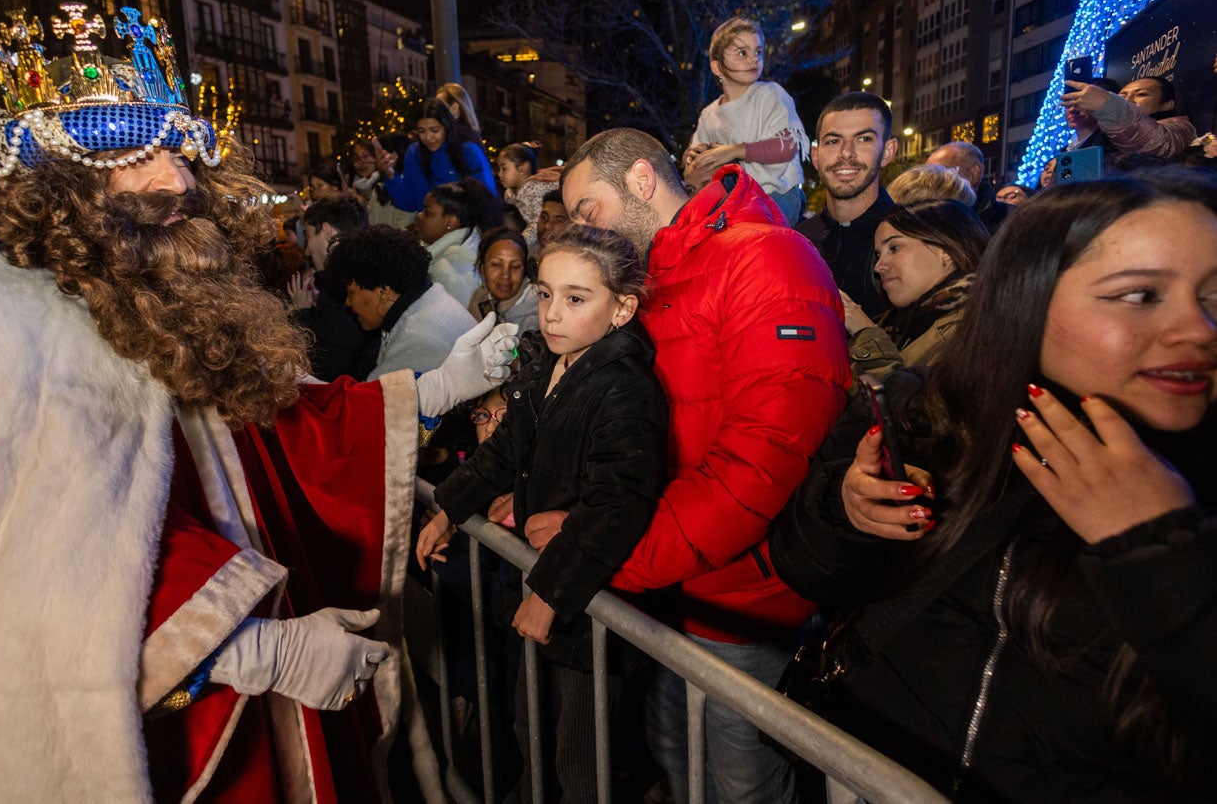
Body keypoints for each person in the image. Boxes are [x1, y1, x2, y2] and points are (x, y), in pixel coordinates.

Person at [0, 4, 484, 803]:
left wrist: (431, 392)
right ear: (61, 191)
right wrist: (243, 647)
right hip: (164, 718)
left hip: (243, 699)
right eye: (136, 157)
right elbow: (18, 562)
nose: (177, 180)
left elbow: (259, 438)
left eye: (180, 154)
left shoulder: (158, 300)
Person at [770, 171, 1217, 801]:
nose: (1198, 330)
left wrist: (1165, 552)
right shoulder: (926, 410)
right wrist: (846, 511)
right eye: (1142, 295)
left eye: (1215, 297)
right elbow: (805, 566)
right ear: (1026, 298)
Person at [561, 129, 851, 804]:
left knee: (739, 782)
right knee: (677, 756)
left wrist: (613, 556)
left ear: (639, 179)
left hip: (743, 594)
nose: (581, 230)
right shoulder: (649, 278)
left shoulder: (766, 258)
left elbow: (762, 457)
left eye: (586, 210)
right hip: (672, 588)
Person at [417, 225, 668, 804]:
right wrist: (448, 511)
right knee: (533, 734)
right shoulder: (553, 365)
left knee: (580, 760)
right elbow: (505, 451)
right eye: (546, 292)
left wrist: (551, 593)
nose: (552, 313)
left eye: (576, 299)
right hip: (548, 595)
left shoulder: (624, 389)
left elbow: (617, 502)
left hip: (584, 616)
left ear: (623, 307)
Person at [682, 16, 810, 226]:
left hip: (777, 194)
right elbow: (695, 152)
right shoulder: (709, 114)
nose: (753, 59)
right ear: (717, 67)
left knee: (757, 234)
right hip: (736, 199)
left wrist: (733, 150)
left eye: (758, 52)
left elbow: (787, 146)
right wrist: (693, 155)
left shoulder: (770, 94)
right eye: (742, 53)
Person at [841, 199, 989, 377]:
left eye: (894, 248)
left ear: (945, 252)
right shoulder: (902, 324)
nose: (878, 267)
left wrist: (866, 335)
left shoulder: (972, 330)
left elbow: (902, 402)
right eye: (878, 254)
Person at [327, 223, 480, 380]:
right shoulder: (427, 300)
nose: (348, 302)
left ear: (383, 292)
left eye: (351, 293)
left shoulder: (417, 337)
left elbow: (372, 401)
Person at [797, 91, 900, 320]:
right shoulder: (797, 243)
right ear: (816, 155)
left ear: (888, 151)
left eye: (864, 139)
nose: (846, 153)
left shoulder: (914, 240)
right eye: (833, 141)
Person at [291, 198, 377, 381]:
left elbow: (325, 371)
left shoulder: (343, 287)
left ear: (327, 231)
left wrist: (302, 314)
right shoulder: (362, 273)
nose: (307, 251)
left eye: (308, 235)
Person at [378, 99, 498, 214]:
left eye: (434, 130)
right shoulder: (414, 153)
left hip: (467, 231)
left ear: (447, 127)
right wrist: (390, 175)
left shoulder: (469, 152)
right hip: (429, 232)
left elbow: (486, 201)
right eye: (421, 131)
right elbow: (408, 203)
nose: (428, 137)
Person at [1061, 75, 1198, 164]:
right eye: (1121, 96)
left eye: (1141, 94)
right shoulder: (1113, 135)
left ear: (1167, 105)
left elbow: (1157, 146)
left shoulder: (1179, 127)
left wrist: (1108, 106)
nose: (1128, 100)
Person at [415, 177, 505, 307]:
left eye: (428, 213)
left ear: (451, 223)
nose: (419, 215)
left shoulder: (448, 269)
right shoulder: (468, 247)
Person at [924, 140, 1010, 234]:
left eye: (942, 171)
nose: (930, 180)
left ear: (975, 172)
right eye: (928, 173)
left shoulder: (1011, 220)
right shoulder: (924, 217)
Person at [467, 228, 539, 333]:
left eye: (515, 266)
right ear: (482, 268)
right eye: (496, 264)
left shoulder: (537, 317)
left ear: (524, 271)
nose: (505, 275)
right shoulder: (479, 298)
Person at [352, 138, 416, 229]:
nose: (361, 163)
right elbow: (370, 224)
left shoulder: (406, 189)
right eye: (356, 159)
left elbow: (404, 227)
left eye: (366, 156)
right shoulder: (378, 188)